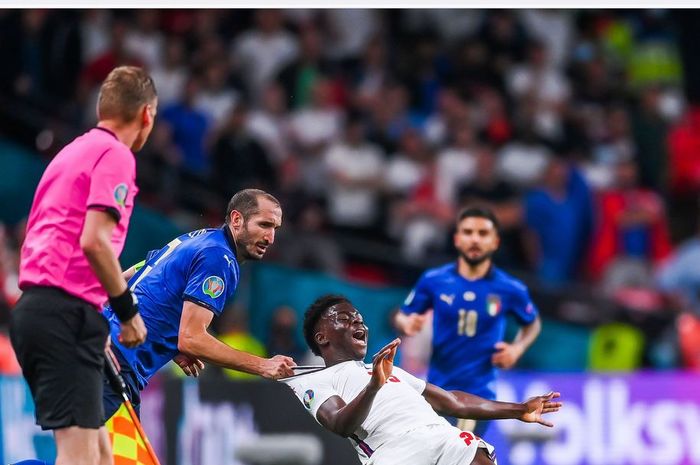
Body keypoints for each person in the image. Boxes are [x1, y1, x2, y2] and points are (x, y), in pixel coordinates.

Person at [10, 66, 155, 465]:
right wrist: (127, 313)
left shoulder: (71, 152)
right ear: (146, 115)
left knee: (100, 456)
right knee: (79, 459)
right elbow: (95, 241)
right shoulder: (116, 155)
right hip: (63, 314)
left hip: (47, 310)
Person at [100, 189, 296, 434]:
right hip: (115, 363)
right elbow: (191, 338)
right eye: (264, 225)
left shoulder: (197, 238)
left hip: (104, 349)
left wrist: (167, 339)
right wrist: (263, 366)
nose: (270, 237)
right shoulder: (219, 258)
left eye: (275, 228)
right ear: (237, 219)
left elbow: (134, 276)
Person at [282, 295, 561, 465]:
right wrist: (374, 387)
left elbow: (453, 402)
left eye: (360, 318)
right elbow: (340, 424)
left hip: (438, 434)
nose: (360, 324)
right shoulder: (314, 380)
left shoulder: (388, 370)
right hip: (392, 452)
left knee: (474, 451)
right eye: (346, 318)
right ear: (322, 338)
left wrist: (519, 410)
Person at [393, 206, 541, 436]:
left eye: (483, 234)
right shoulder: (434, 281)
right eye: (468, 232)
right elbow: (404, 314)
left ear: (495, 242)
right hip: (438, 392)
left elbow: (532, 323)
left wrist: (517, 348)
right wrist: (407, 324)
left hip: (478, 397)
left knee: (458, 454)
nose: (475, 239)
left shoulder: (509, 288)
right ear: (457, 239)